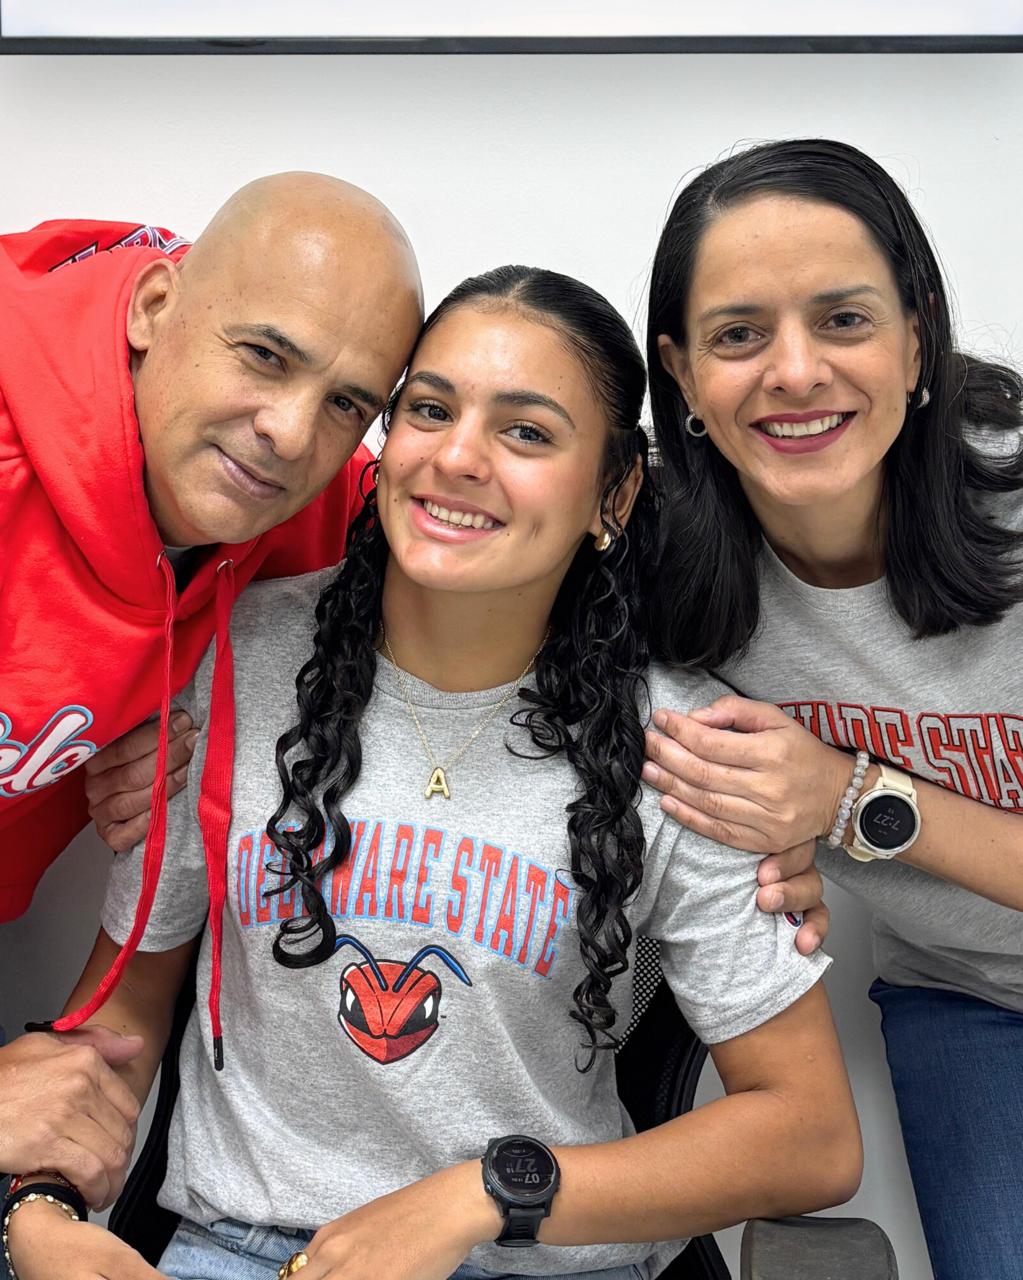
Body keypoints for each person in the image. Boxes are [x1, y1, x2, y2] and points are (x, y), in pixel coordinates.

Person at [4, 267, 860, 1280]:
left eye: (526, 432)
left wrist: (481, 1197)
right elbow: (121, 1013)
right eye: (430, 409)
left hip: (540, 1258)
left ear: (614, 493)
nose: (457, 457)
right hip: (244, 1252)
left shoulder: (680, 746)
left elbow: (809, 1136)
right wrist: (38, 1210)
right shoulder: (237, 658)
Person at [0, 173, 423, 1208]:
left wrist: (779, 774)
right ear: (155, 306)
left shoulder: (310, 502)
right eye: (264, 355)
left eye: (347, 403)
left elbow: (543, 545)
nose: (290, 432)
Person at [641, 138, 1023, 1280]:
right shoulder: (659, 560)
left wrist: (850, 801)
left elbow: (837, 799)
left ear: (917, 337)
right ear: (682, 375)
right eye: (738, 335)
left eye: (843, 319)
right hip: (971, 998)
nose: (794, 372)